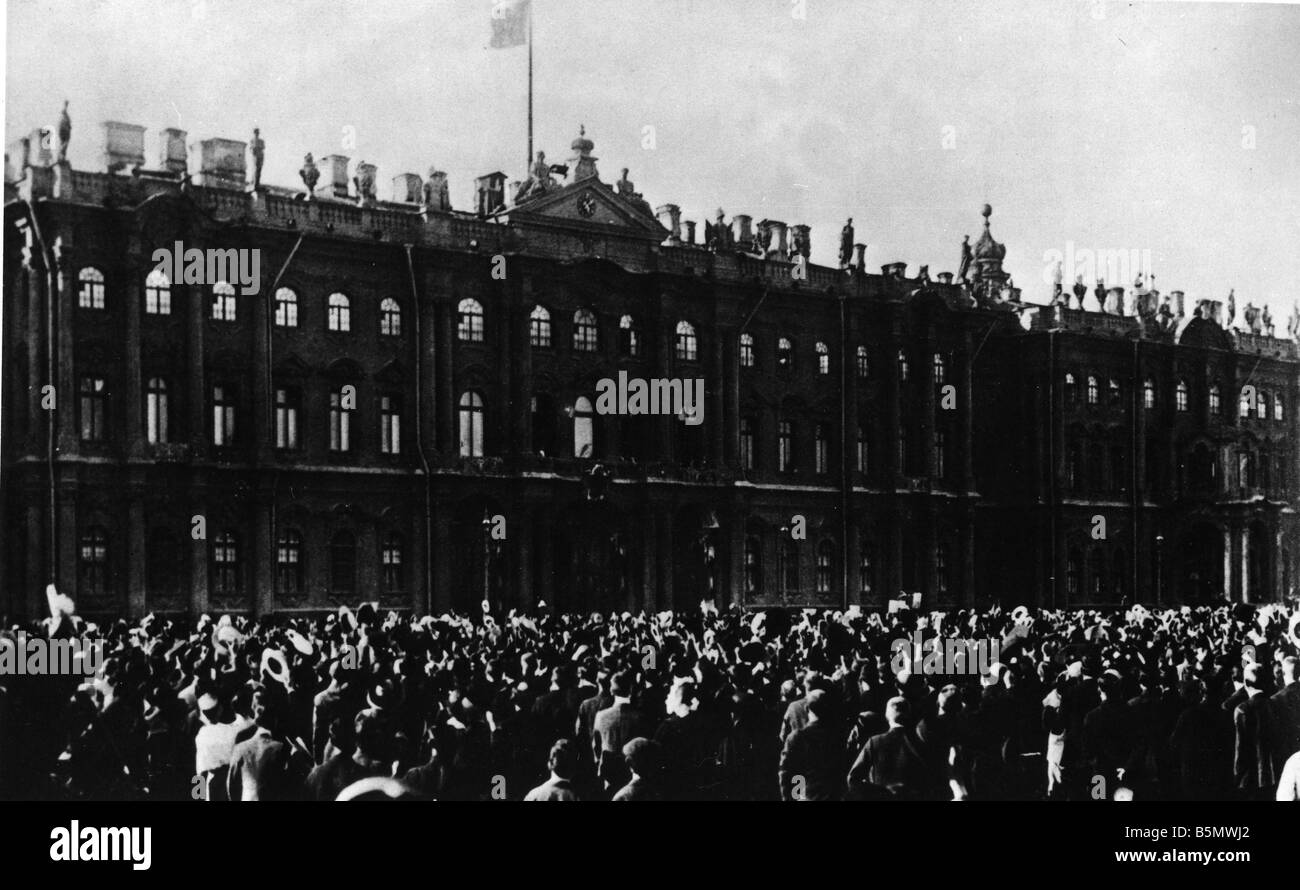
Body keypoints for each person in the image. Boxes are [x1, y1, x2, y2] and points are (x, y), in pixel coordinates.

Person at [848, 696, 928, 799]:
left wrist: (880, 792)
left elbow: (853, 779)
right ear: (909, 714)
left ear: (886, 716)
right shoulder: (921, 741)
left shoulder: (875, 742)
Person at [778, 690, 842, 800]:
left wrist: (794, 797)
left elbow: (786, 774)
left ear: (806, 709)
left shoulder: (797, 737)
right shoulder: (836, 736)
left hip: (805, 796)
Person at [591, 670, 647, 793]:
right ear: (630, 690)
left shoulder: (601, 716)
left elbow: (596, 746)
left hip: (608, 773)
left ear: (611, 691)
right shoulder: (640, 717)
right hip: (631, 771)